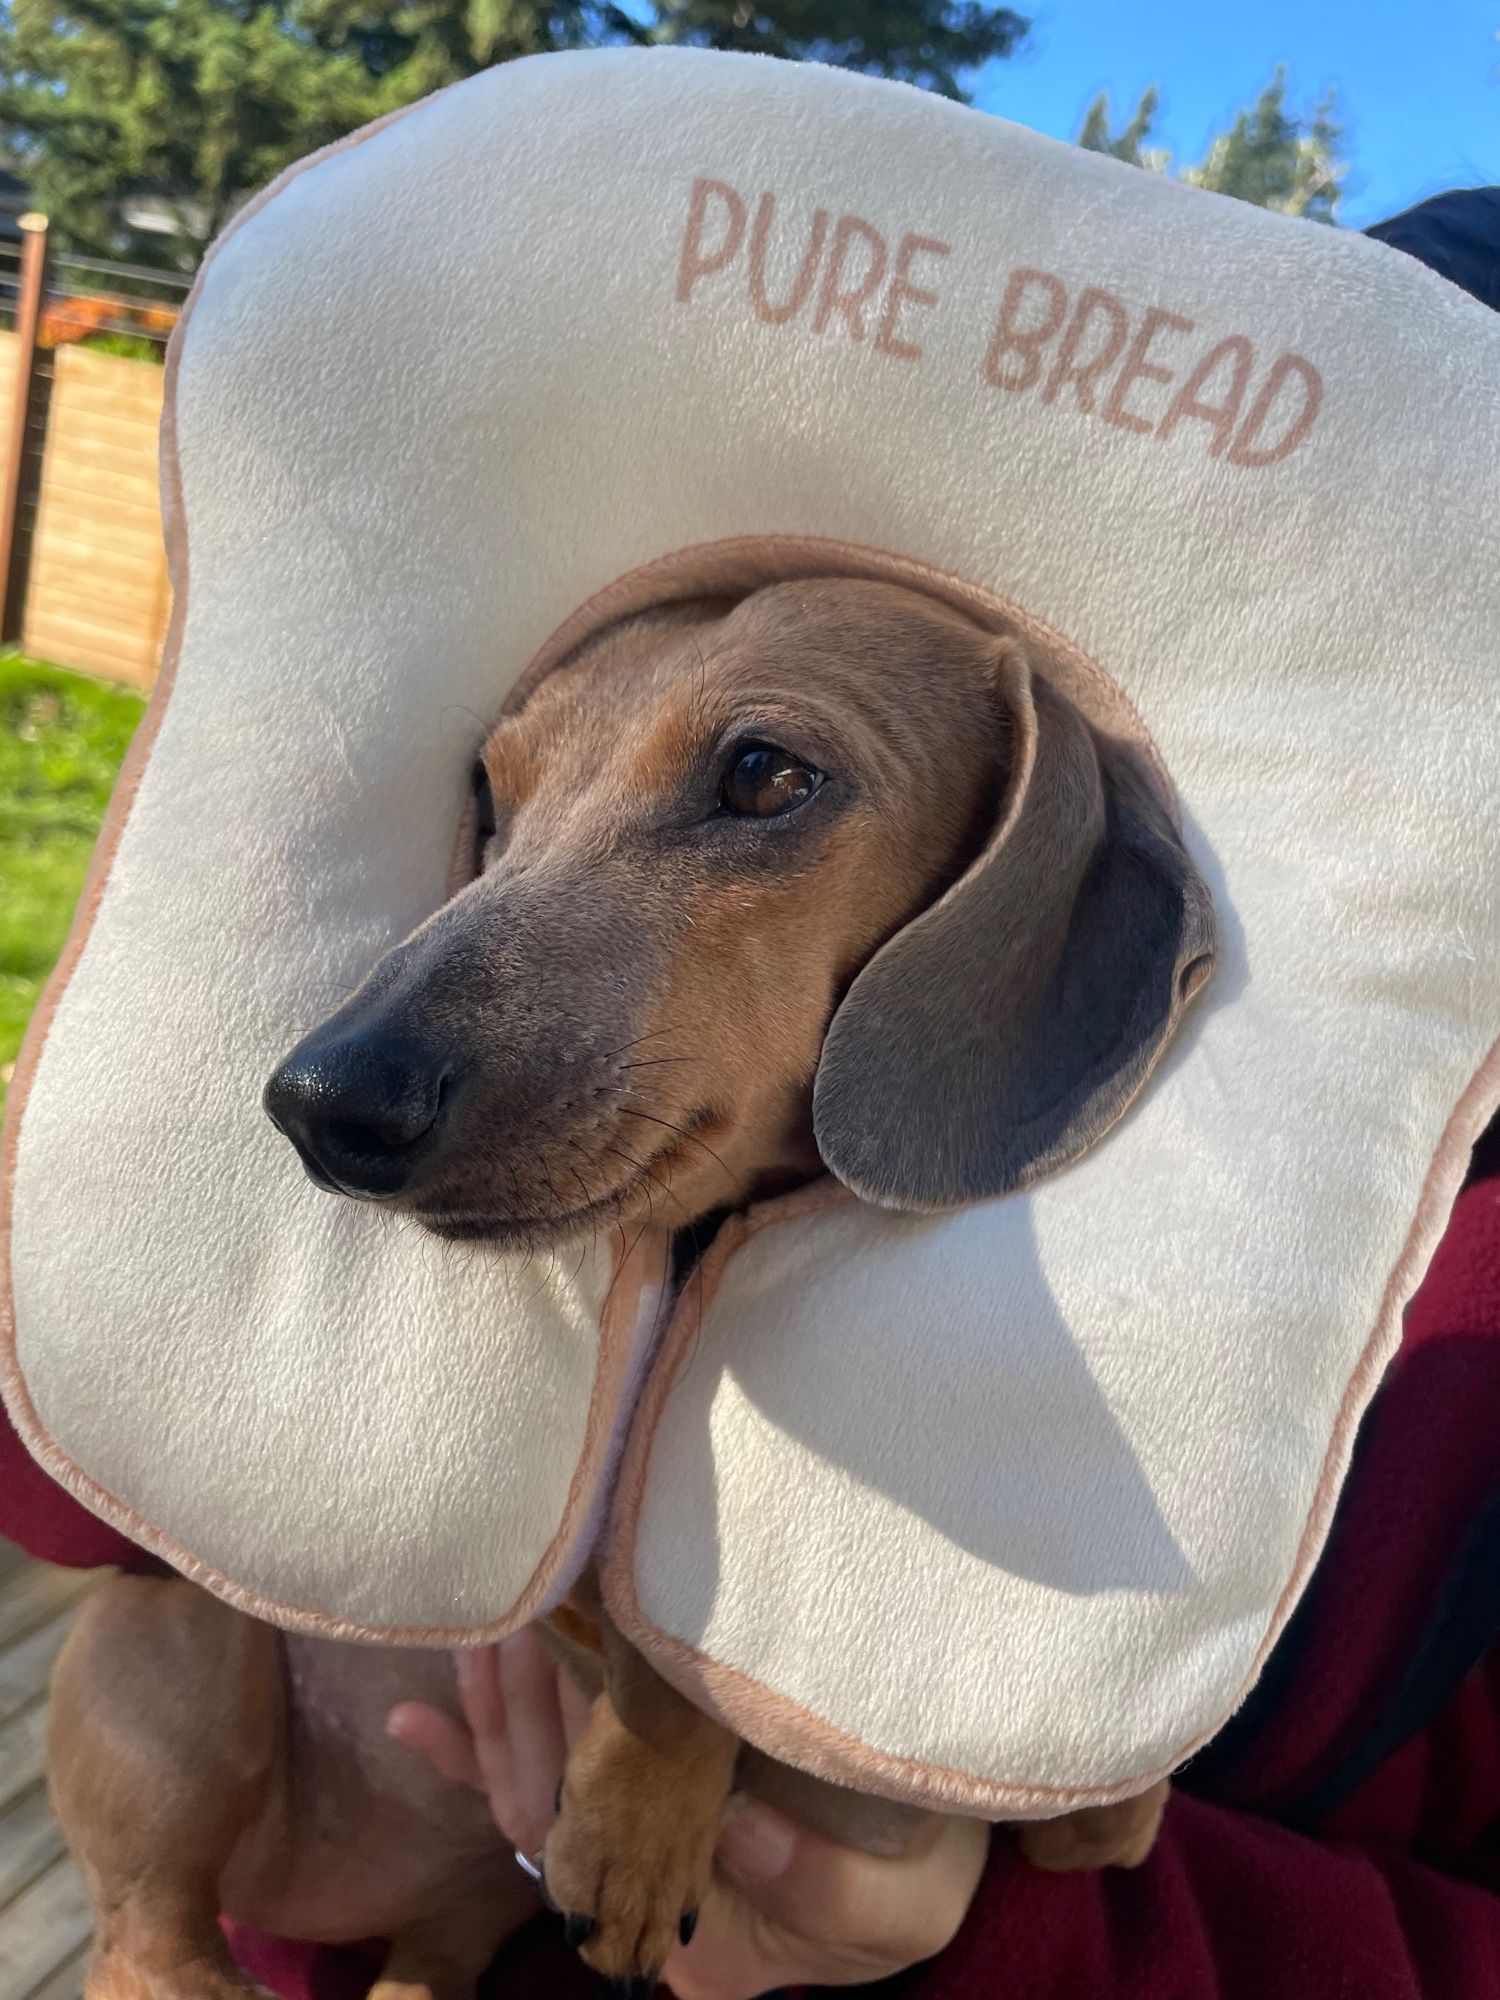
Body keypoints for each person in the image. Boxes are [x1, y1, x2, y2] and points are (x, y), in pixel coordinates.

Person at [3, 186, 1498, 2000]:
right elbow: (107, 1485)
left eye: (765, 785)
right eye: (520, 801)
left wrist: (999, 1924)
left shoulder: (1308, 1305)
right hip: (283, 1831)